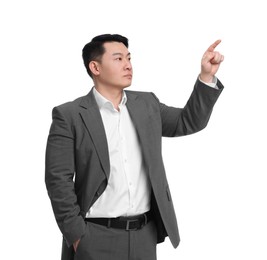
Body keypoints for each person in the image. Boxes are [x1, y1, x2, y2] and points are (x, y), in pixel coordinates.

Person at [45, 34, 224, 260]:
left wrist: (206, 76)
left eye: (129, 58)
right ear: (95, 67)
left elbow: (187, 121)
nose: (128, 65)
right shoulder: (69, 115)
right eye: (118, 59)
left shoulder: (147, 104)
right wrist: (77, 235)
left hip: (144, 236)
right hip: (95, 237)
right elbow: (57, 179)